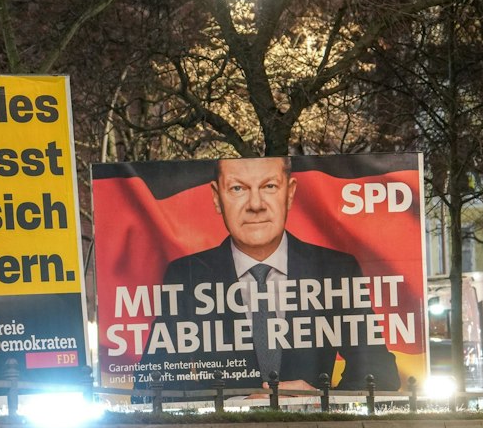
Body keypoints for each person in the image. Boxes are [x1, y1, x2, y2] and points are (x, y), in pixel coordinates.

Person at [150, 156, 400, 394]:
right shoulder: (187, 275)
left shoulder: (335, 270)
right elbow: (153, 382)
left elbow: (380, 373)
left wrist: (319, 401)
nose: (256, 205)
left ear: (289, 193)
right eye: (238, 189)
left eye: (269, 186)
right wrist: (234, 403)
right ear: (217, 197)